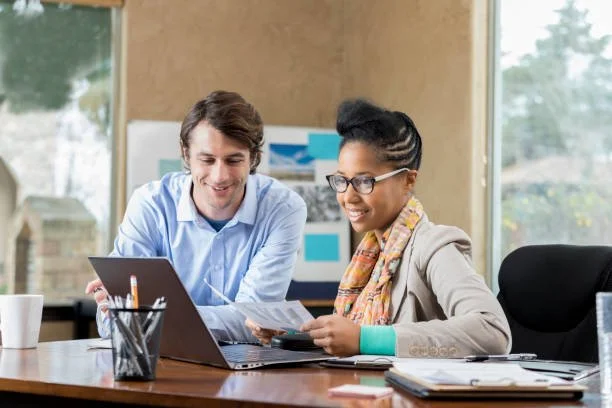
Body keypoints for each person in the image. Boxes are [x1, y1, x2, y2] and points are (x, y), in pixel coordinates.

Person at [247, 98, 511, 357]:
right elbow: (353, 344)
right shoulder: (370, 257)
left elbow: (492, 330)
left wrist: (363, 338)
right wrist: (292, 336)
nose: (348, 196)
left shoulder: (434, 246)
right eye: (342, 180)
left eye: (364, 181)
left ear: (408, 180)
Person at [86, 90, 307, 341]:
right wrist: (124, 312)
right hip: (162, 366)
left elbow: (254, 323)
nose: (220, 176)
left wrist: (150, 314)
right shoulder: (150, 205)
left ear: (253, 158)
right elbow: (113, 323)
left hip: (247, 371)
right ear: (185, 154)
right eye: (207, 160)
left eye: (234, 160)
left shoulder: (284, 209)